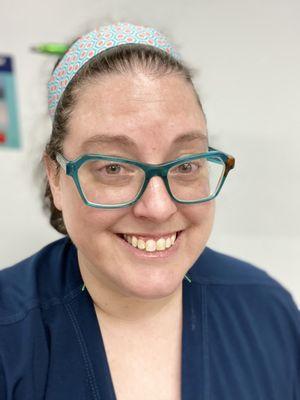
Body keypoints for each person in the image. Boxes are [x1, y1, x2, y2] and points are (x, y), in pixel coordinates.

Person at [0, 22, 299, 400]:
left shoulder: (267, 312)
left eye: (186, 164)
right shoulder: (9, 334)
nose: (158, 207)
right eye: (113, 167)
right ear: (57, 178)